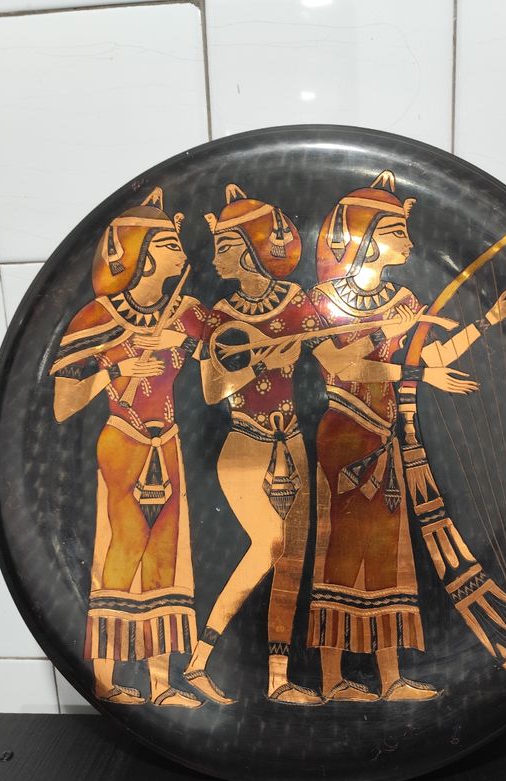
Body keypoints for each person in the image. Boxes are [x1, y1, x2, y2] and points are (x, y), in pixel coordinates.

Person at [183, 184, 414, 704]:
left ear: (253, 249)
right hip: (246, 445)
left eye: (226, 246)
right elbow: (213, 390)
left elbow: (341, 360)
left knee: (291, 561)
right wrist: (261, 362)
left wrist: (384, 336)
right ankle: (200, 659)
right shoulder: (220, 317)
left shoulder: (301, 305)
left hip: (292, 441)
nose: (216, 257)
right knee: (268, 547)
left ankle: (278, 680)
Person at [307, 170, 506, 702]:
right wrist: (402, 351)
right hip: (345, 434)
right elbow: (341, 366)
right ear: (366, 237)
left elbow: (430, 357)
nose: (409, 242)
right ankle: (332, 679)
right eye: (398, 232)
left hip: (385, 439)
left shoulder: (401, 298)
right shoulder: (321, 300)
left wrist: (487, 321)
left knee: (389, 556)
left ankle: (389, 679)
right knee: (341, 553)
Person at [50, 188, 207, 707]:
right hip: (124, 439)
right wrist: (115, 363)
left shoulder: (184, 312)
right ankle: (105, 680)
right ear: (139, 253)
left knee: (166, 557)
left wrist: (193, 342)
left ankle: (162, 685)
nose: (179, 250)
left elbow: (230, 354)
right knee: (125, 549)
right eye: (167, 243)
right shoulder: (97, 317)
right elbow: (64, 405)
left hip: (170, 441)